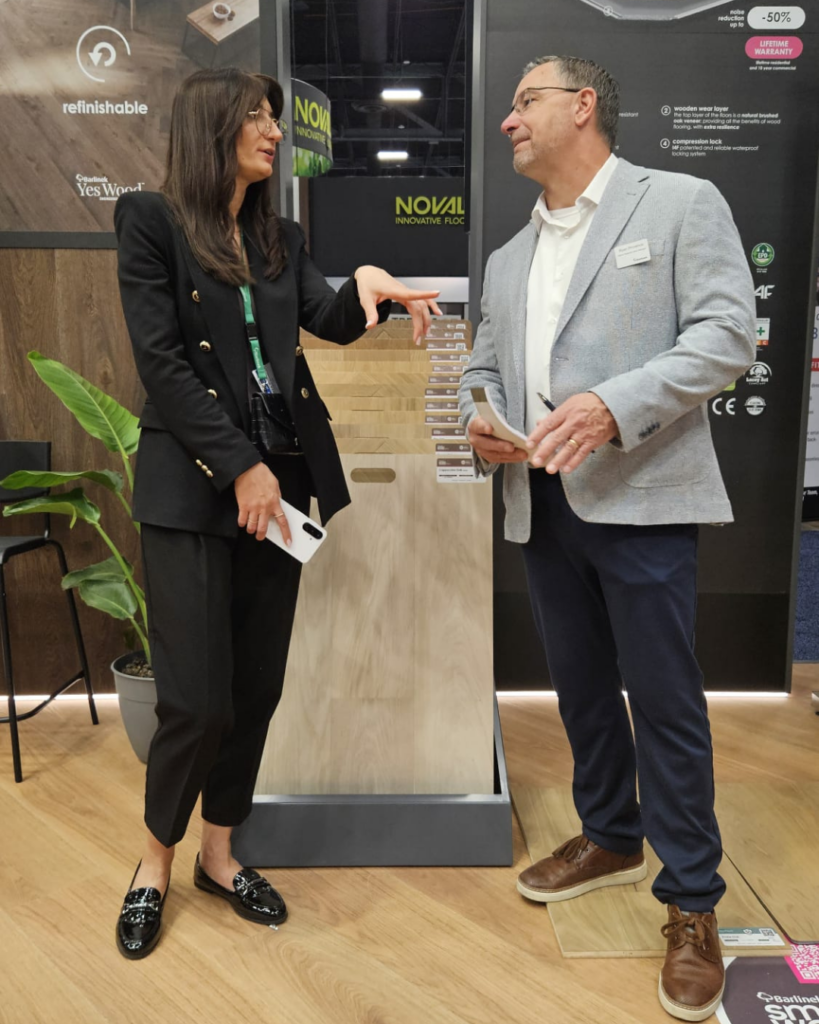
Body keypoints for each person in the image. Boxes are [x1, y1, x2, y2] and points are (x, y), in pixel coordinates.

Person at [113, 67, 441, 959]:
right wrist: (239, 467)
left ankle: (219, 857)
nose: (272, 129)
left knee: (256, 687)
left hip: (282, 486)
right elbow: (162, 365)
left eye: (272, 115)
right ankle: (153, 864)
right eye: (255, 115)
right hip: (196, 490)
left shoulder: (278, 235)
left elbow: (325, 321)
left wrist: (367, 286)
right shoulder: (150, 221)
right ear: (211, 126)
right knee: (193, 700)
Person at [459, 55, 755, 1022]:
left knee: (663, 701)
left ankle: (692, 901)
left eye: (525, 102)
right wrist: (476, 417)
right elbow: (481, 368)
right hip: (540, 503)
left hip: (642, 498)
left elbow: (726, 336)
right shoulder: (509, 257)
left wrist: (608, 405)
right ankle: (610, 835)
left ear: (582, 106)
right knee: (579, 688)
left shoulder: (677, 203)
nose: (509, 121)